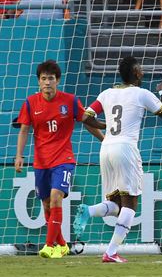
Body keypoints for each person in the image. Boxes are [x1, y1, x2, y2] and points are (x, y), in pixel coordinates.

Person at [74, 56, 162, 263]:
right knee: (130, 204)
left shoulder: (106, 93)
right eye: (141, 70)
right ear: (136, 73)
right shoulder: (142, 94)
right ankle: (110, 252)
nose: (143, 73)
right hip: (126, 148)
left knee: (116, 205)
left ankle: (89, 211)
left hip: (106, 148)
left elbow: (84, 117)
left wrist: (106, 125)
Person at [15, 60, 104, 259]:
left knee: (56, 197)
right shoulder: (30, 103)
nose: (47, 82)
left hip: (64, 159)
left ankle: (48, 245)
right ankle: (62, 245)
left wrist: (104, 139)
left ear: (58, 81)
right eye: (44, 79)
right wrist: (19, 155)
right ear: (38, 82)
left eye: (51, 79)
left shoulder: (70, 101)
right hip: (41, 162)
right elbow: (24, 130)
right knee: (47, 204)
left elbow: (87, 122)